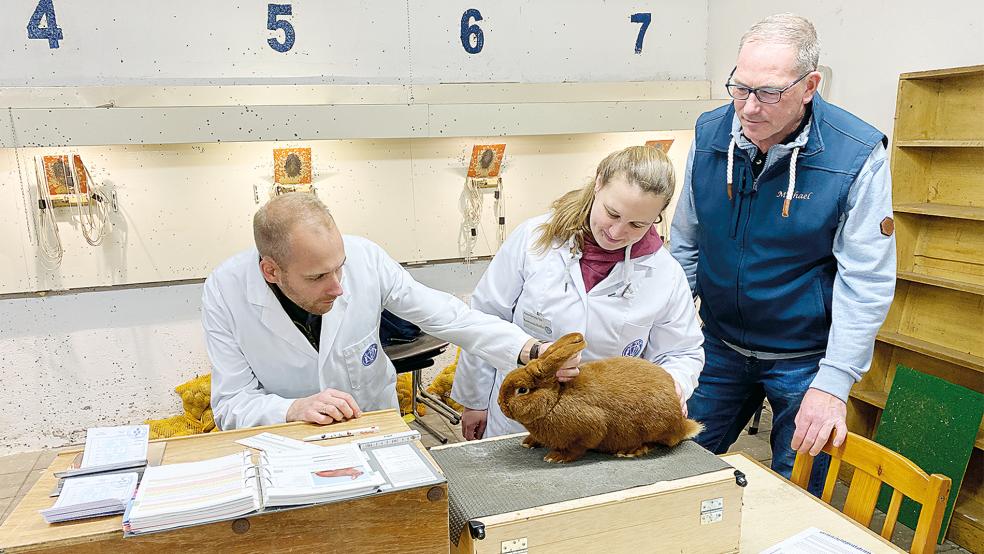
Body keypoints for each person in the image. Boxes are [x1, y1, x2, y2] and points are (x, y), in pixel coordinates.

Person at [670, 13, 896, 492]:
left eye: (769, 92)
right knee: (671, 467)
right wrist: (666, 339)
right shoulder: (709, 134)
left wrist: (834, 383)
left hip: (804, 358)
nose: (749, 108)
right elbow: (686, 244)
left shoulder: (856, 155)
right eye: (739, 87)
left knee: (798, 490)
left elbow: (866, 282)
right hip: (719, 344)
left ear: (810, 85)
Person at [202, 193, 578, 430]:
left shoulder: (366, 258)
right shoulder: (226, 292)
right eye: (317, 277)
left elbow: (449, 317)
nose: (338, 286)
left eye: (340, 267)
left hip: (375, 425)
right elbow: (231, 405)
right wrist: (293, 409)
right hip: (285, 442)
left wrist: (530, 350)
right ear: (271, 270)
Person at [452, 145, 705, 439]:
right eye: (612, 213)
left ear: (657, 217)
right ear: (598, 183)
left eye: (637, 224)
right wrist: (475, 402)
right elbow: (484, 320)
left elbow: (681, 351)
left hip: (605, 427)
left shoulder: (665, 273)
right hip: (519, 418)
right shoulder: (534, 240)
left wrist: (674, 383)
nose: (616, 232)